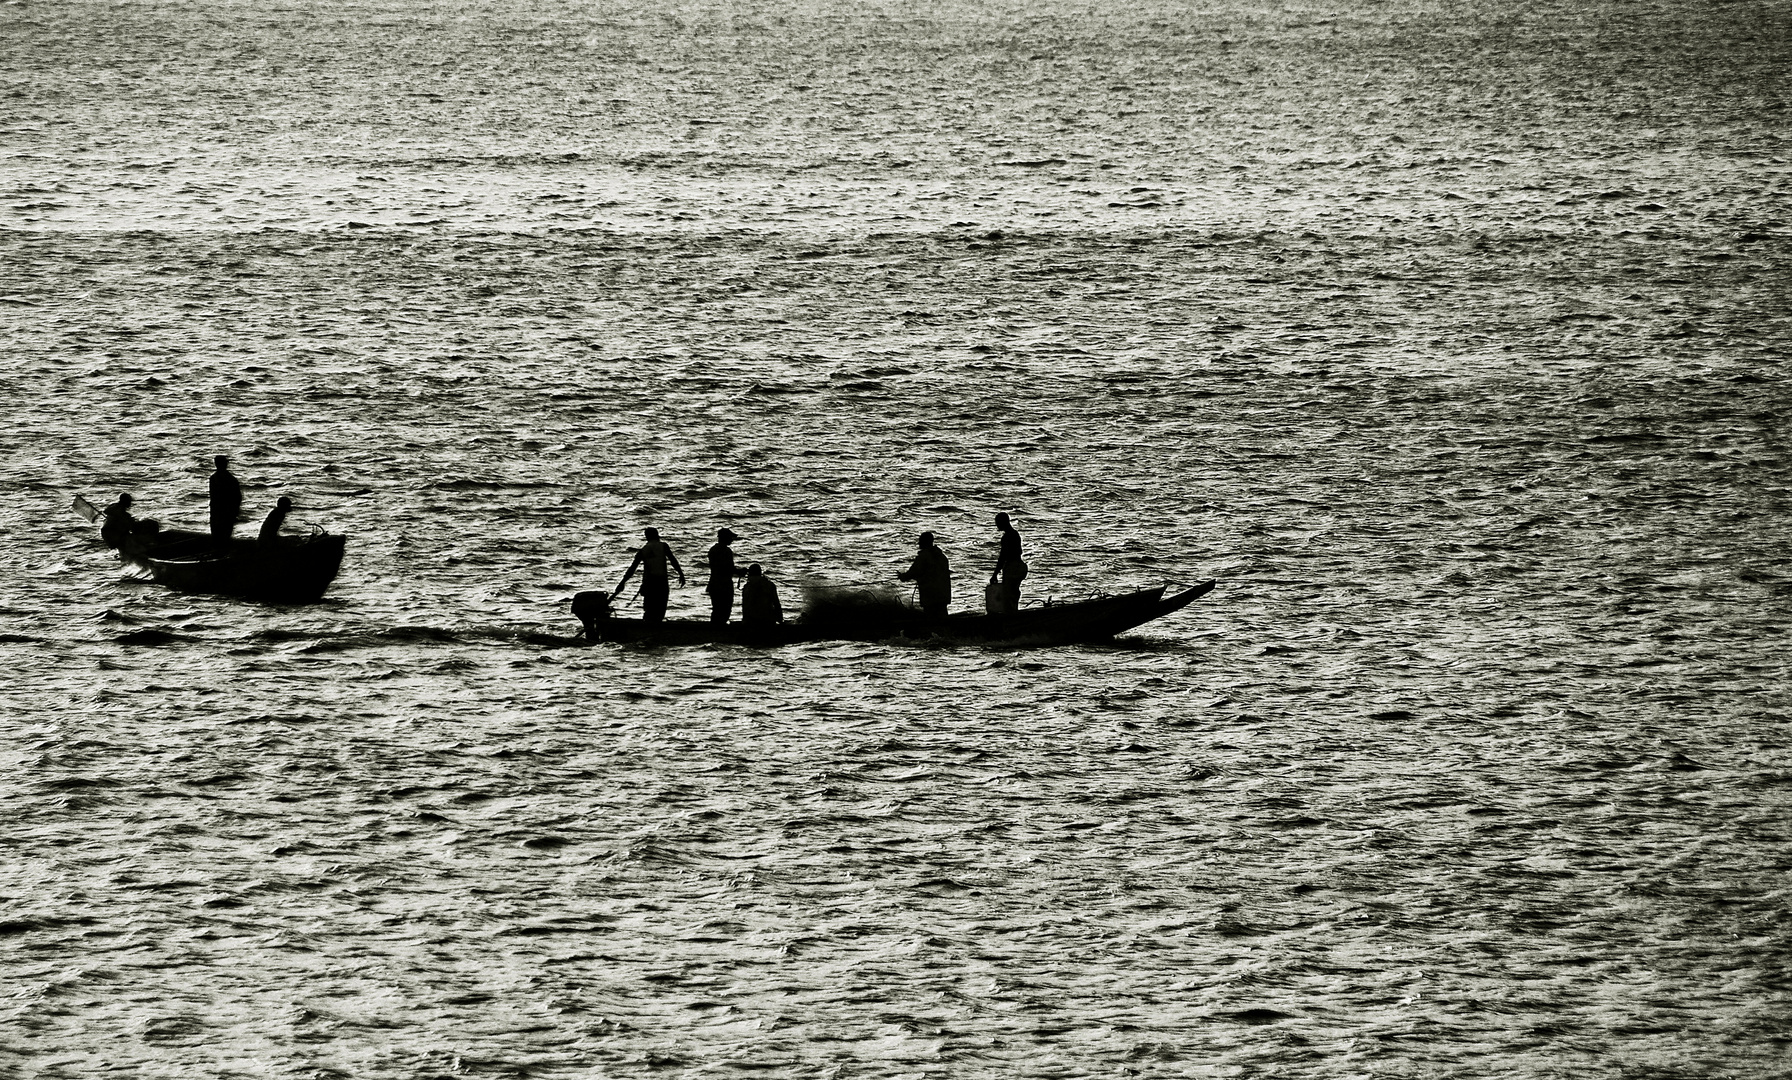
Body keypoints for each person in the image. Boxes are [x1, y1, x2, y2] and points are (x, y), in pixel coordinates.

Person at [615, 527, 685, 624]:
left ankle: (648, 628)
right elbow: (673, 560)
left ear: (646, 537)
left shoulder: (643, 550)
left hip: (649, 583)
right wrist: (681, 574)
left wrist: (622, 582)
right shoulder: (663, 546)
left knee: (649, 610)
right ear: (657, 535)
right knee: (660, 609)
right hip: (661, 583)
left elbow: (632, 569)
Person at [898, 530, 952, 619]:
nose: (919, 544)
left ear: (924, 542)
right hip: (943, 595)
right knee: (943, 621)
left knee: (930, 621)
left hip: (930, 596)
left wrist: (902, 576)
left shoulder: (924, 556)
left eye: (920, 541)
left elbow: (914, 571)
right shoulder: (942, 557)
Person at [989, 511, 1028, 615]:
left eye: (997, 522)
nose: (996, 525)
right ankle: (1014, 614)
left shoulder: (1006, 537)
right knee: (1014, 594)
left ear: (1003, 522)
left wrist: (995, 574)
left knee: (1008, 596)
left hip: (1012, 567)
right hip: (1020, 566)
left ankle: (1010, 618)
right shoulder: (1015, 534)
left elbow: (1002, 557)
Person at [704, 527, 745, 624]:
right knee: (725, 610)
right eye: (730, 537)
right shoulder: (726, 551)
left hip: (714, 584)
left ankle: (714, 630)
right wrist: (740, 572)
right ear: (725, 538)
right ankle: (718, 630)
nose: (732, 540)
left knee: (717, 609)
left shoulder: (713, 550)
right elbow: (728, 568)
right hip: (724, 585)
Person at [208, 455, 242, 551]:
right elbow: (237, 498)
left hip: (222, 512)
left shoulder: (216, 478)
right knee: (220, 536)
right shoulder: (228, 479)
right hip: (220, 512)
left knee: (220, 536)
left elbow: (237, 498)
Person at [740, 563, 783, 627]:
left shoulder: (746, 587)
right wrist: (780, 620)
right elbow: (776, 604)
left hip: (751, 621)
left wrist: (744, 621)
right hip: (768, 620)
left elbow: (745, 607)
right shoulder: (770, 585)